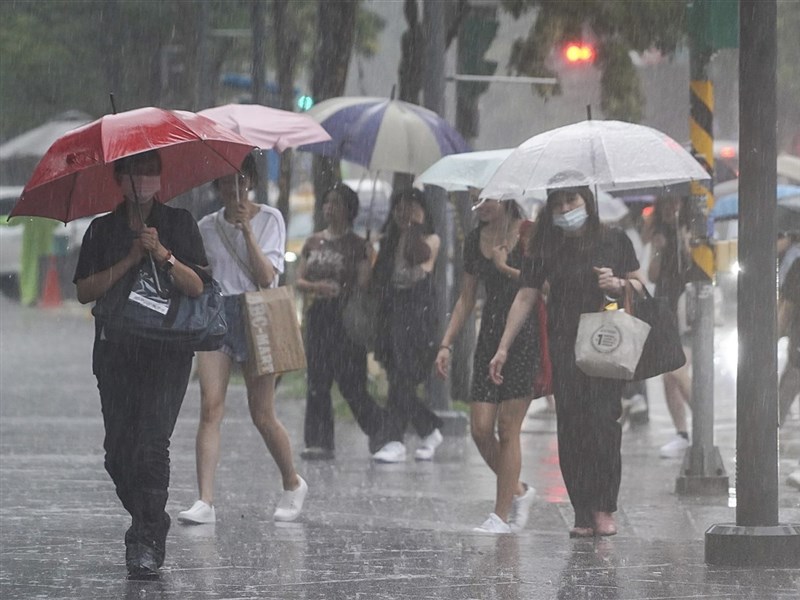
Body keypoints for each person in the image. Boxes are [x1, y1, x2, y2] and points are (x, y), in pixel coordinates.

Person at [74, 150, 207, 577]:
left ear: (160, 178)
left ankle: (146, 540)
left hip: (167, 355)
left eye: (150, 171)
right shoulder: (102, 230)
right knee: (118, 454)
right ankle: (150, 516)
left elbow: (197, 285)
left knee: (152, 445)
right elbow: (84, 291)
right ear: (120, 177)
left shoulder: (180, 223)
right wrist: (130, 258)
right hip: (116, 354)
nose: (143, 180)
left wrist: (163, 254)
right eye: (135, 171)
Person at [489, 184, 644, 537]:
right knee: (572, 425)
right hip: (564, 343)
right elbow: (526, 296)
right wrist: (503, 346)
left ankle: (604, 506)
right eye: (558, 204)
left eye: (572, 200)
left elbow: (640, 284)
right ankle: (582, 510)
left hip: (606, 340)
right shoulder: (545, 245)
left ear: (587, 201)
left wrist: (619, 283)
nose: (566, 209)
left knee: (604, 422)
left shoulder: (614, 239)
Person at [178, 155, 307, 525]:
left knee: (262, 413)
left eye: (239, 182)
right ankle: (205, 500)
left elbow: (268, 277)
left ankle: (292, 481)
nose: (232, 190)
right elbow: (203, 276)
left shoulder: (270, 219)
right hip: (219, 314)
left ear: (250, 181)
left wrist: (248, 230)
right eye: (224, 183)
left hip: (258, 315)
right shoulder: (206, 226)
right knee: (210, 405)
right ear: (215, 187)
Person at [435, 195, 537, 533]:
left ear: (507, 198)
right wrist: (446, 343)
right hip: (489, 334)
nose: (482, 205)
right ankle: (519, 491)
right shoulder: (473, 240)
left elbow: (541, 285)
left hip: (524, 334)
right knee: (480, 429)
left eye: (490, 198)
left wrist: (505, 266)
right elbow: (467, 297)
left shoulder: (528, 233)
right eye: (477, 198)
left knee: (508, 429)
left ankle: (501, 515)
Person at [294, 183, 388, 459]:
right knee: (317, 381)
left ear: (349, 209)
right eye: (326, 202)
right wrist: (316, 287)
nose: (329, 207)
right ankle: (319, 441)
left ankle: (380, 428)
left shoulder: (358, 245)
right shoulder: (313, 242)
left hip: (347, 319)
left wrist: (369, 256)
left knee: (351, 383)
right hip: (319, 316)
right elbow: (299, 279)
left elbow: (364, 284)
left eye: (336, 202)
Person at [370, 188, 444, 463]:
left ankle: (394, 440)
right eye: (400, 207)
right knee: (397, 378)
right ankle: (429, 427)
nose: (405, 213)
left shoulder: (430, 239)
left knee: (402, 378)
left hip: (417, 315)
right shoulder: (389, 240)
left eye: (412, 207)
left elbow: (418, 266)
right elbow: (379, 281)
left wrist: (410, 230)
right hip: (391, 316)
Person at [644, 195, 693, 458]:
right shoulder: (659, 235)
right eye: (664, 204)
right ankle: (682, 434)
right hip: (665, 304)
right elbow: (651, 275)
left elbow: (696, 269)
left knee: (677, 370)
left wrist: (685, 242)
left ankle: (703, 425)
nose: (669, 208)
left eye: (674, 202)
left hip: (688, 306)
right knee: (668, 374)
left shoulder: (692, 229)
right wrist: (660, 249)